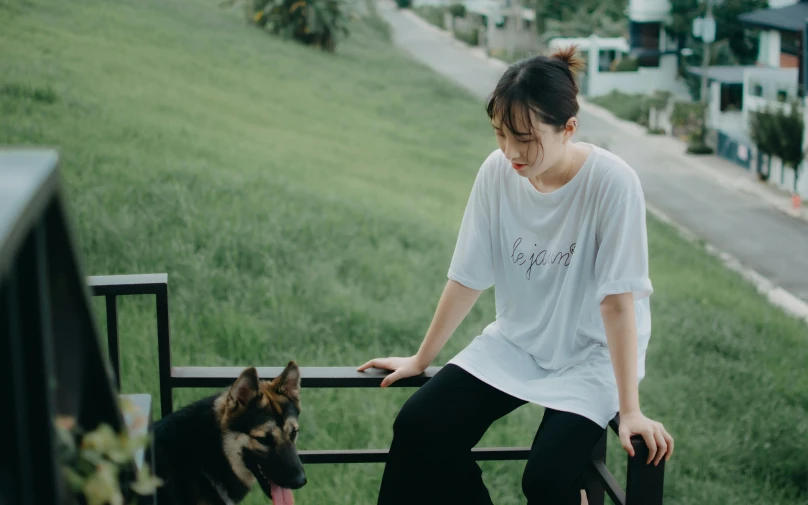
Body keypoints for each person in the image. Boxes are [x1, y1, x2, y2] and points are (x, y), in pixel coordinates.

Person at [357, 46, 674, 505]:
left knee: (544, 480)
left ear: (568, 129)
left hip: (592, 356)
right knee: (419, 426)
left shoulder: (612, 182)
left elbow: (618, 301)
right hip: (518, 340)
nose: (511, 152)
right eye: (501, 134)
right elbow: (467, 275)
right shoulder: (497, 172)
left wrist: (630, 410)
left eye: (524, 138)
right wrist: (421, 359)